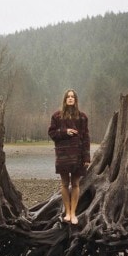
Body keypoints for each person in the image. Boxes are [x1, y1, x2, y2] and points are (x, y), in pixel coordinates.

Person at [48, 89, 90, 225]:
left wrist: (87, 157)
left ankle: (73, 213)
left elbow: (86, 138)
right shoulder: (57, 116)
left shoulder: (82, 117)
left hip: (78, 155)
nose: (70, 99)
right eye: (68, 97)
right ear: (65, 100)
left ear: (76, 100)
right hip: (63, 155)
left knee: (76, 184)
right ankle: (67, 212)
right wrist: (65, 132)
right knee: (65, 184)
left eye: (73, 97)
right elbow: (52, 133)